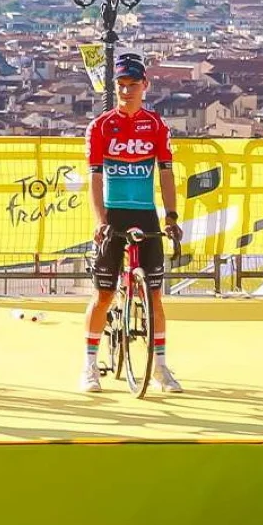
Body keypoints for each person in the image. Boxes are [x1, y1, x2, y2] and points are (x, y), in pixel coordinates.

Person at [80, 55, 183, 394]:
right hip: (113, 213)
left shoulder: (155, 125)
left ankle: (162, 366)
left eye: (133, 85)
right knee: (104, 293)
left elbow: (166, 174)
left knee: (155, 296)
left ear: (145, 86)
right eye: (121, 86)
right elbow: (94, 178)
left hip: (145, 213)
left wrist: (171, 216)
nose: (126, 91)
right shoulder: (100, 126)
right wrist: (101, 221)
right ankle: (90, 364)